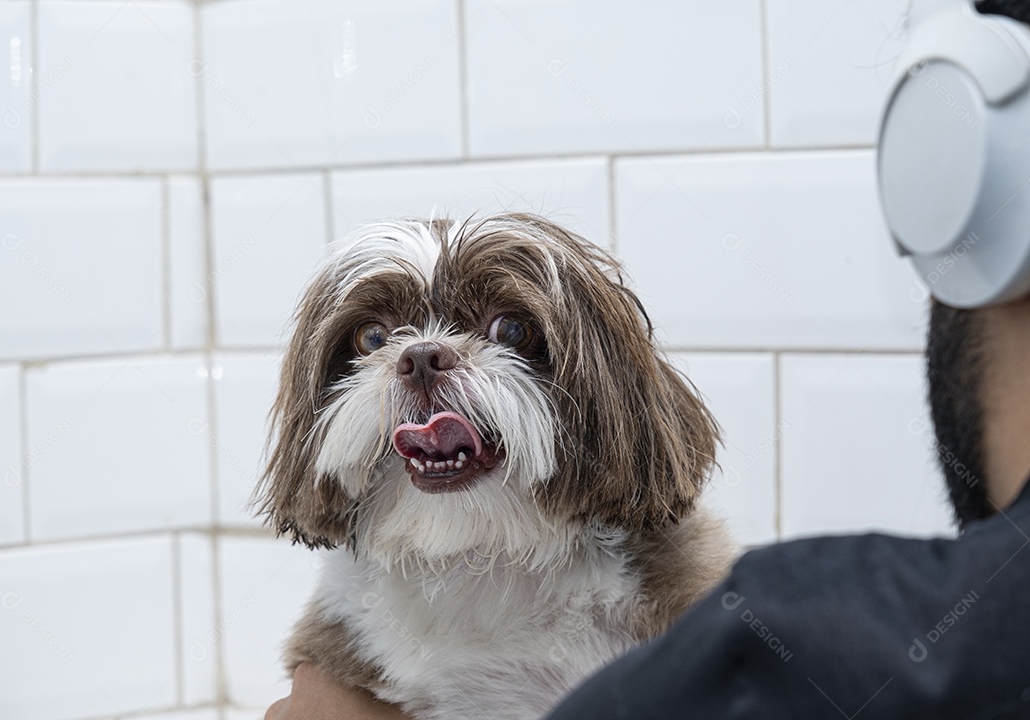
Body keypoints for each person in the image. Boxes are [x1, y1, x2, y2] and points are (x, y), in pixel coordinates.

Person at [268, 1, 1030, 716]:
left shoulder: (731, 631)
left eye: (510, 333)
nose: (421, 361)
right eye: (373, 342)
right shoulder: (340, 655)